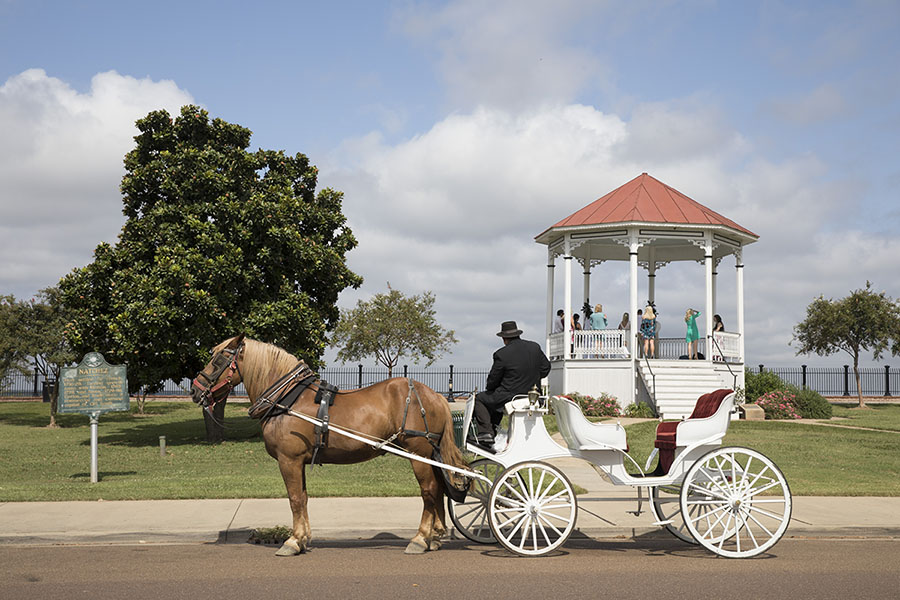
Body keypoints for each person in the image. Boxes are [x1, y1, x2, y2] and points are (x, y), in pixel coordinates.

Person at [469, 321, 551, 453]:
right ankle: (491, 432)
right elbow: (546, 368)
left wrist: (496, 387)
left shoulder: (502, 354)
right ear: (517, 334)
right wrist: (532, 379)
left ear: (504, 338)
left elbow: (492, 381)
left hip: (510, 396)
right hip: (534, 397)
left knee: (480, 398)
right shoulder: (534, 347)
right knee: (494, 399)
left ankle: (486, 433)